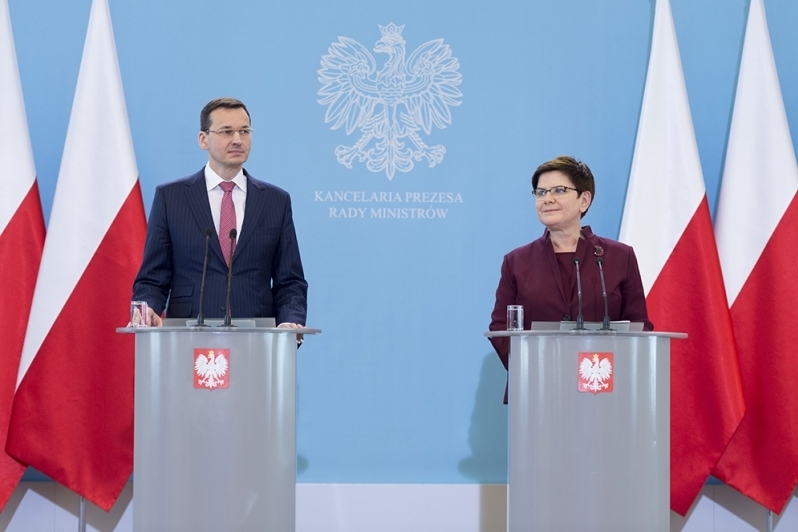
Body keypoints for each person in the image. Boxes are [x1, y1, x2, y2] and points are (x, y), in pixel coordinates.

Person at [132, 97, 307, 332]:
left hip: (257, 337)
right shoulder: (171, 197)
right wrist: (147, 310)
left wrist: (290, 321)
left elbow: (290, 281)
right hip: (188, 335)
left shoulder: (276, 201)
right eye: (226, 131)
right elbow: (153, 278)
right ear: (203, 139)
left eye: (244, 131)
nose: (237, 140)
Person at [489, 156, 652, 398]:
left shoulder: (618, 257)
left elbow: (639, 325)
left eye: (558, 190)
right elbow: (500, 327)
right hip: (537, 390)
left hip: (603, 389)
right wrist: (530, 366)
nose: (547, 199)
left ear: (584, 200)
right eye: (541, 192)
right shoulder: (517, 261)